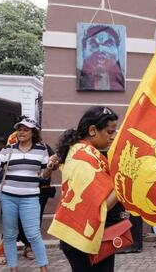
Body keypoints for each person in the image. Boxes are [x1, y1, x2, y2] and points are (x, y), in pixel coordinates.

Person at [48, 106, 122, 272]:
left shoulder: (82, 152)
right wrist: (122, 185)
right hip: (85, 236)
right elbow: (98, 207)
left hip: (80, 234)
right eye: (110, 132)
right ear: (93, 130)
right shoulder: (85, 158)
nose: (113, 137)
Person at [0, 118, 56, 272]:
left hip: (30, 198)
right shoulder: (7, 149)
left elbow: (44, 176)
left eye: (26, 130)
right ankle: (13, 269)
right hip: (7, 197)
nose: (22, 132)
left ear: (33, 132)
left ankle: (44, 269)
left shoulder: (42, 150)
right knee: (9, 235)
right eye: (20, 129)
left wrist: (50, 168)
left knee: (33, 235)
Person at [78, 25, 125, 91]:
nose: (100, 50)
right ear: (84, 50)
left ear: (117, 50)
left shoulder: (119, 84)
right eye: (93, 44)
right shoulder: (80, 81)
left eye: (108, 44)